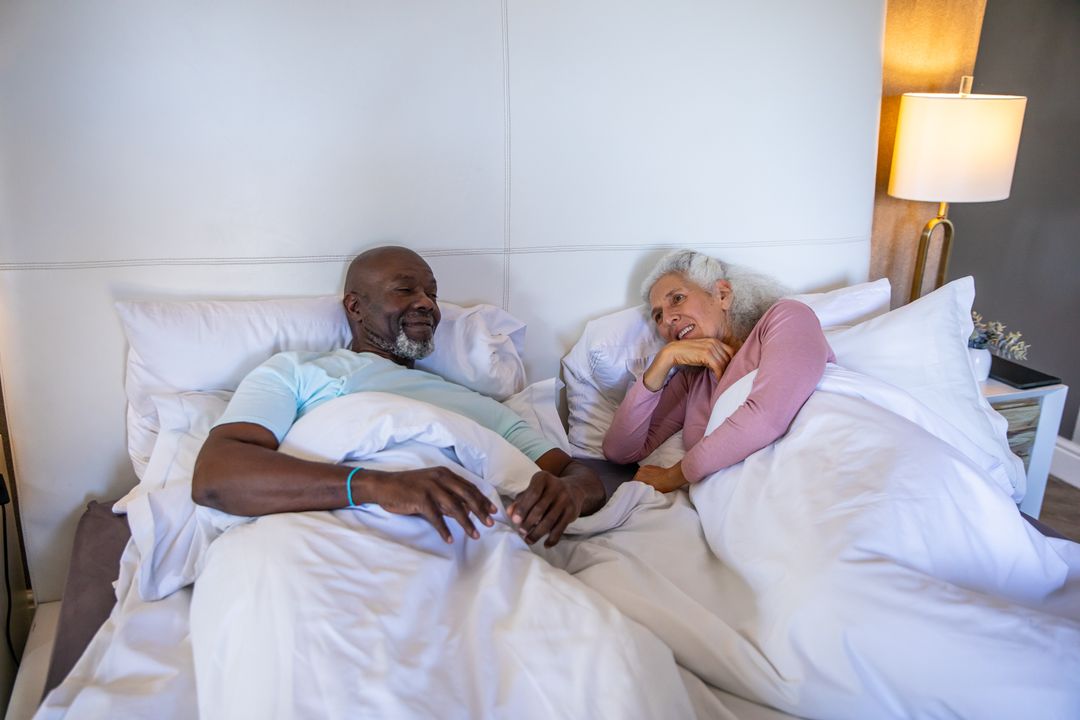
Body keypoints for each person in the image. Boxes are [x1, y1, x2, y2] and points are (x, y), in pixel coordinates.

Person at [193, 245, 605, 547]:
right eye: (405, 290)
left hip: (461, 542)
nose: (426, 303)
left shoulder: (480, 408)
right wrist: (377, 486)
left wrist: (568, 493)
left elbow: (578, 475)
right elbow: (217, 476)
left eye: (431, 293)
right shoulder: (298, 371)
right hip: (332, 539)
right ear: (355, 307)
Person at [603, 249, 834, 491]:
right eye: (658, 316)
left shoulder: (788, 318)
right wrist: (663, 360)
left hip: (810, 481)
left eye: (677, 298)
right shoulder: (693, 381)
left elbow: (767, 417)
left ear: (722, 295)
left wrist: (676, 474)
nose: (667, 318)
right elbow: (619, 450)